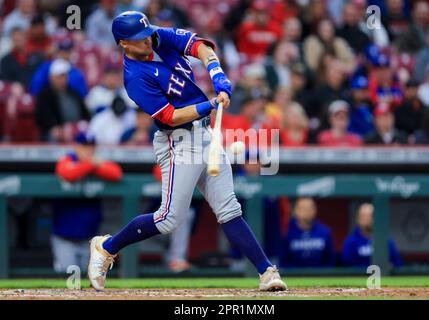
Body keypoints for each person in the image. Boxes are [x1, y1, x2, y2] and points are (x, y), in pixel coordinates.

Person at [87, 11, 287, 292]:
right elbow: (169, 116)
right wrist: (209, 104)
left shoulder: (156, 35)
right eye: (139, 39)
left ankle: (267, 271)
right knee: (169, 218)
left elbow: (199, 46)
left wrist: (216, 73)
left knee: (229, 209)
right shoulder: (134, 77)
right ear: (124, 43)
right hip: (177, 140)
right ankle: (107, 247)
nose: (147, 41)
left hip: (204, 134)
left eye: (146, 35)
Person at [53, 132, 122, 272]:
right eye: (85, 146)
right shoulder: (68, 159)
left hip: (90, 239)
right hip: (64, 237)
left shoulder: (97, 162)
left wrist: (92, 165)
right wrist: (91, 164)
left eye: (92, 147)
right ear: (76, 147)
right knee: (67, 279)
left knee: (89, 280)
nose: (89, 150)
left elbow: (116, 173)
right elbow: (67, 173)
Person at [34, 59, 90, 142]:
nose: (63, 79)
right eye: (60, 76)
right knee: (53, 136)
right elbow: (43, 117)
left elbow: (85, 113)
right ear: (52, 77)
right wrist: (54, 127)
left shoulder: (73, 92)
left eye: (65, 76)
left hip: (76, 129)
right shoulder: (44, 95)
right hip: (55, 131)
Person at [342, 203, 402, 267]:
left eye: (372, 216)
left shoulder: (385, 239)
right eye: (365, 216)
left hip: (382, 276)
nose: (370, 219)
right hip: (359, 276)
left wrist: (390, 265)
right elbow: (346, 265)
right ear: (359, 219)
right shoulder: (351, 241)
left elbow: (397, 261)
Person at [279, 198, 335, 268]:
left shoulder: (325, 232)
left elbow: (330, 260)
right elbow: (283, 261)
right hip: (294, 276)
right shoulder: (286, 232)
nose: (308, 212)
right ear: (296, 211)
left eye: (310, 208)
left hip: (320, 276)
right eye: (304, 209)